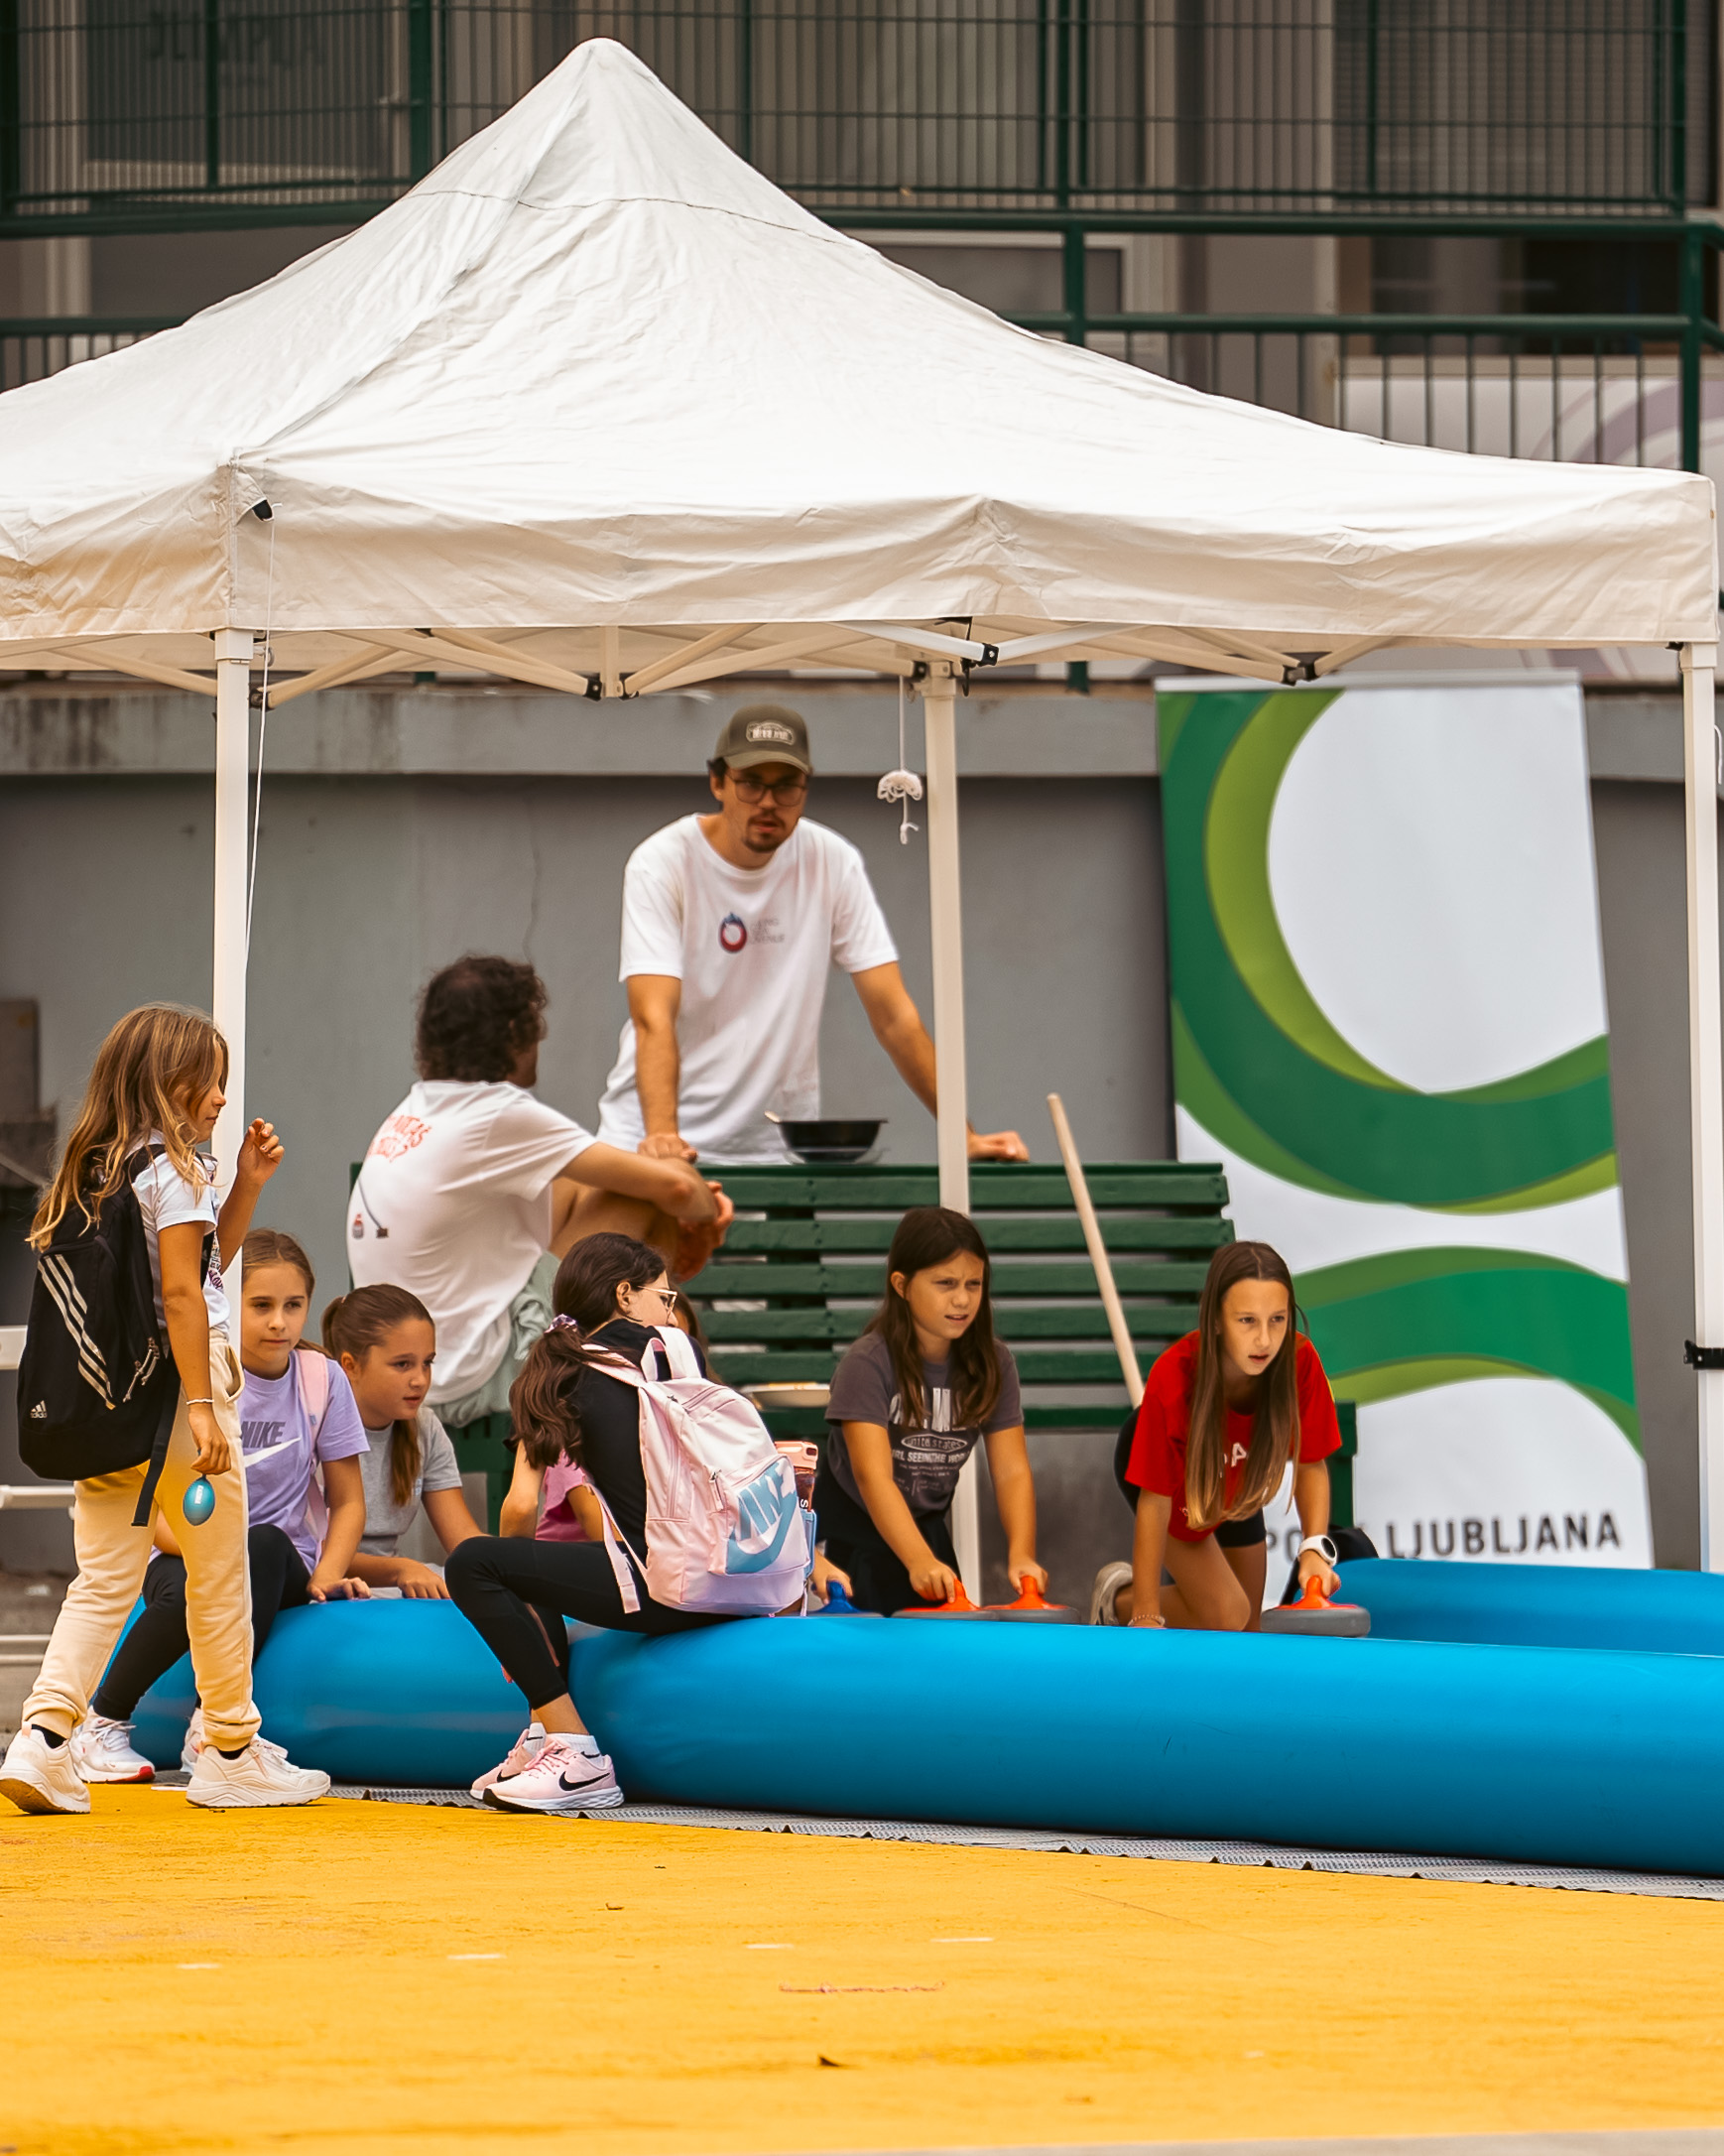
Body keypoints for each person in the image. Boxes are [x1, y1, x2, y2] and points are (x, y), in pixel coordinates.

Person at [0, 1004, 329, 1814]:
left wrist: (245, 1184)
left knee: (104, 1576)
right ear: (167, 1079)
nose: (220, 1095)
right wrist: (204, 1407)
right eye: (209, 1079)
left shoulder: (93, 1167)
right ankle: (230, 1747)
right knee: (221, 1574)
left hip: (111, 1407)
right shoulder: (173, 1169)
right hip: (183, 1400)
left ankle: (43, 1738)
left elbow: (200, 1263)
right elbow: (186, 1293)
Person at [594, 704, 1029, 1168]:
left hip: (776, 1149)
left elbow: (893, 1015)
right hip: (654, 1144)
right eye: (751, 783)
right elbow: (652, 1016)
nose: (767, 801)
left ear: (805, 790)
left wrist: (963, 1134)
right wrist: (663, 1135)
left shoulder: (832, 860)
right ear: (717, 782)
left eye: (786, 786)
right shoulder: (661, 862)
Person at [349, 954, 731, 1438]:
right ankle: (674, 1389)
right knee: (643, 1199)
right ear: (514, 1032)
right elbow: (679, 1192)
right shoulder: (496, 1114)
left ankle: (664, 1355)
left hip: (424, 1362)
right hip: (466, 1376)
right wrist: (689, 1187)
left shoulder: (420, 1105)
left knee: (581, 1180)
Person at [445, 1233, 729, 1814]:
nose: (669, 1312)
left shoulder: (553, 1371)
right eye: (664, 1296)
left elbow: (520, 1509)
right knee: (528, 1567)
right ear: (625, 1295)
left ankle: (571, 1744)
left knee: (478, 1563)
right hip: (731, 1578)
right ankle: (551, 1742)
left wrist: (516, 1620)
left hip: (662, 1589)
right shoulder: (678, 1353)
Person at [78, 1226, 374, 1778]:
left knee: (260, 1543)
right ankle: (100, 1724)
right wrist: (207, 1554)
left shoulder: (321, 1378)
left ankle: (211, 1730)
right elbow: (158, 1509)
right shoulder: (194, 1378)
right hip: (182, 1553)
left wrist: (326, 1576)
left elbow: (349, 1500)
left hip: (276, 1563)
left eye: (293, 1305)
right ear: (226, 1304)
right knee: (190, 1587)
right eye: (260, 1305)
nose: (279, 1322)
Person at [1092, 1240, 1341, 1631]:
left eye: (1277, 1320)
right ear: (1216, 1320)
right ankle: (1116, 1602)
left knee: (1249, 1628)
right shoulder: (1173, 1376)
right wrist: (1144, 1612)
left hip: (1237, 1477)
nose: (1264, 1340)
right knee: (1226, 1614)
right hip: (1175, 1480)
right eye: (1247, 1320)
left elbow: (1311, 1464)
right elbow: (1155, 1503)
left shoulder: (1300, 1361)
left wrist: (1314, 1549)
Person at [815, 1206, 1045, 1614]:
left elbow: (1011, 1470)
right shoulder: (867, 1362)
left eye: (974, 1284)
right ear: (902, 1285)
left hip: (925, 1527)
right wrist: (917, 1561)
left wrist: (1021, 1554)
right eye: (945, 1283)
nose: (962, 1299)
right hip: (854, 1534)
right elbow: (873, 1478)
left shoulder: (994, 1362)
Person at [323, 1284, 485, 1594]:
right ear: (350, 1366)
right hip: (330, 1587)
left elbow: (464, 1539)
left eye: (427, 1362)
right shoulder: (316, 1423)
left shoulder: (424, 1426)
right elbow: (312, 1552)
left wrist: (518, 1567)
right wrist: (401, 1569)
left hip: (393, 1585)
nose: (420, 1380)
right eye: (402, 1364)